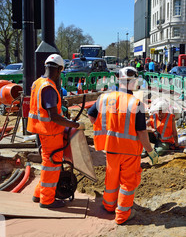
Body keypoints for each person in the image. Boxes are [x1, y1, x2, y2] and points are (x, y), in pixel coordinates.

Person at [87, 66, 158, 225]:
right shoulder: (136, 103)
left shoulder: (104, 98)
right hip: (130, 151)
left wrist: (105, 131)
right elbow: (141, 132)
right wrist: (150, 151)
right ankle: (122, 215)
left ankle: (109, 205)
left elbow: (91, 116)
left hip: (110, 148)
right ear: (134, 82)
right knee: (128, 183)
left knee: (111, 179)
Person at [27, 54, 85, 209]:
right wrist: (73, 124)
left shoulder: (37, 83)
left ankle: (39, 193)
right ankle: (47, 200)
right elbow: (53, 116)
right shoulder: (49, 87)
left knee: (47, 163)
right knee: (52, 165)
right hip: (51, 132)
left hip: (42, 130)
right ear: (59, 69)